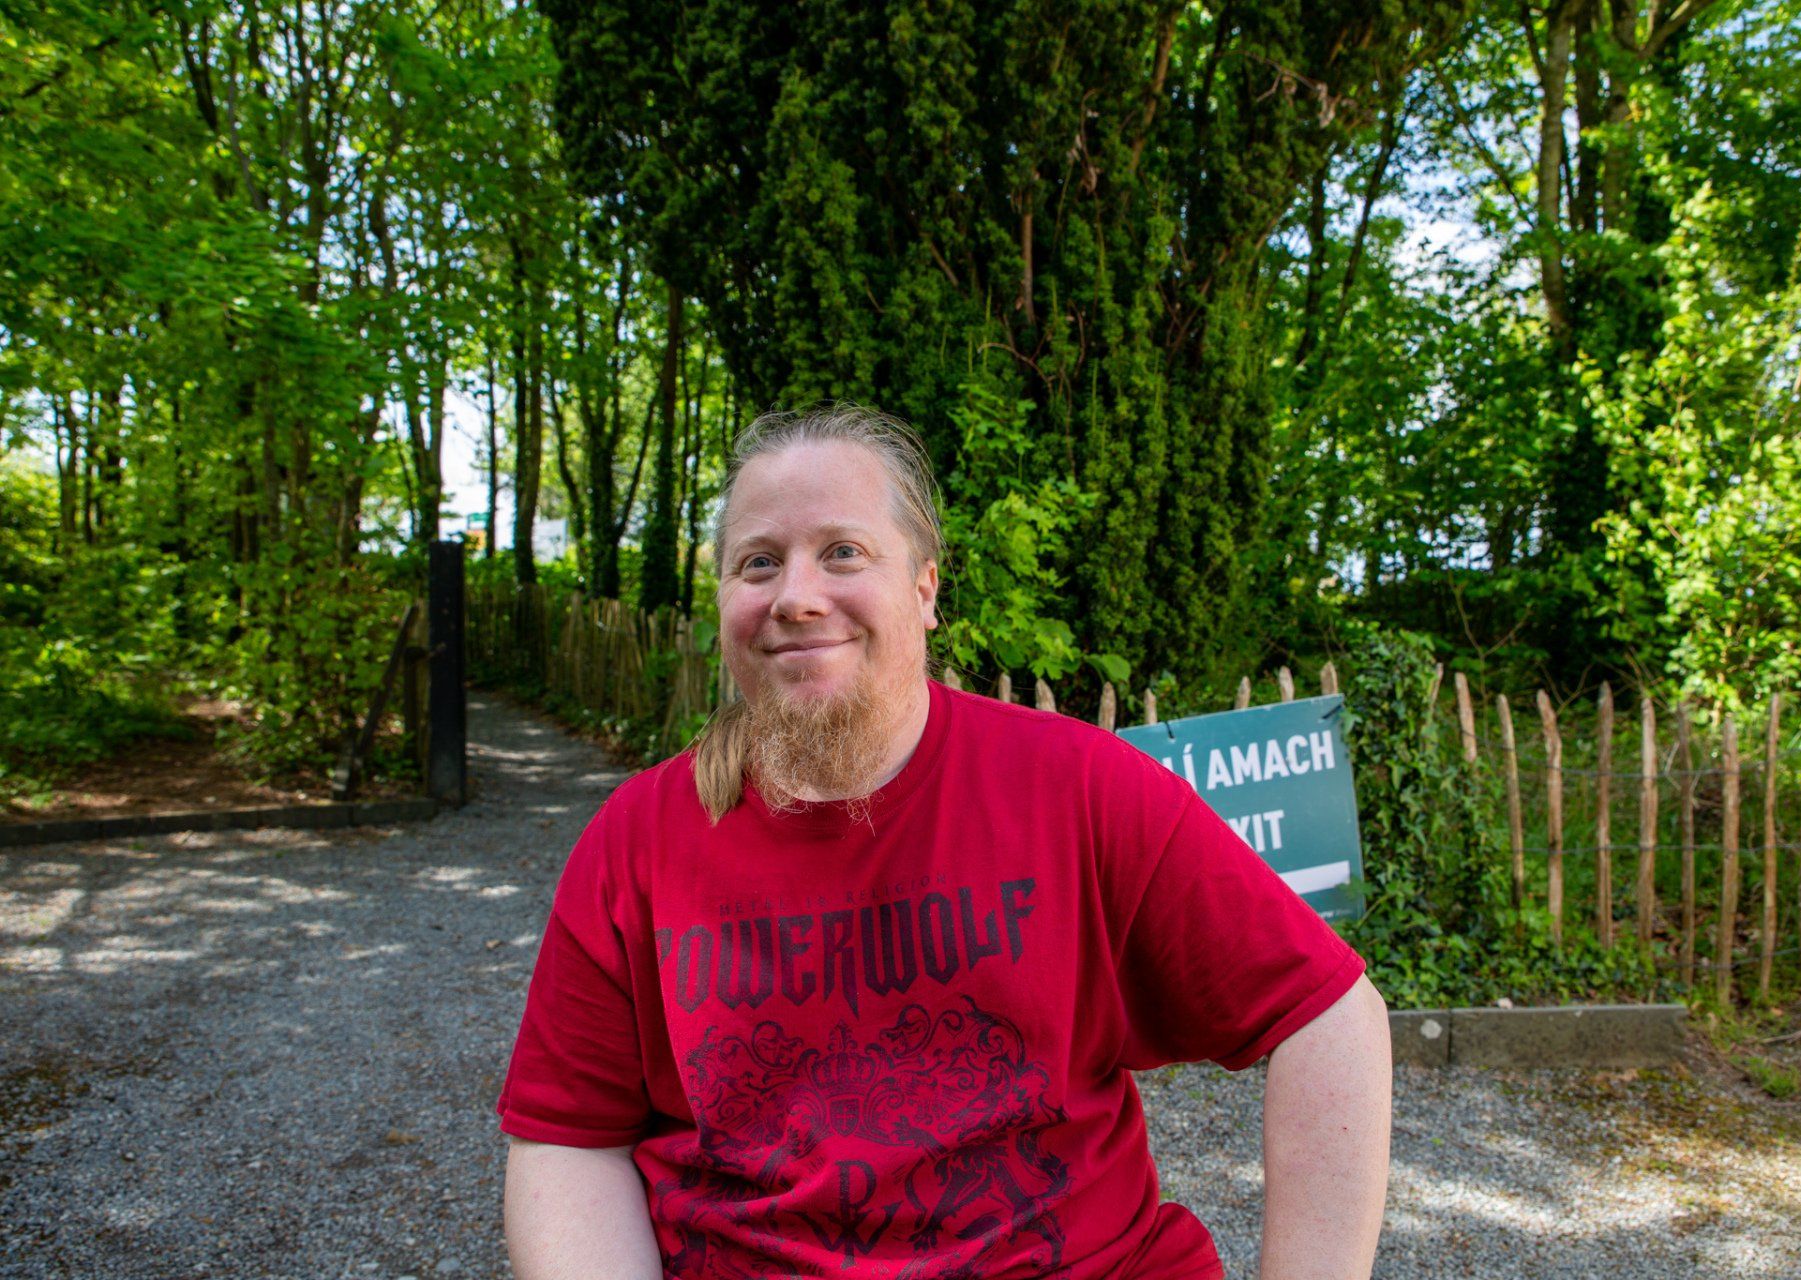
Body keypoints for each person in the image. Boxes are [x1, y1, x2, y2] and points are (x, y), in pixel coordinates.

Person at [497, 404, 1393, 1280]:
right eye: (758, 562)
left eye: (843, 552)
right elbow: (569, 1142)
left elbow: (1328, 1014)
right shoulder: (637, 843)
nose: (796, 597)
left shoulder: (1076, 787)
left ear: (925, 589)